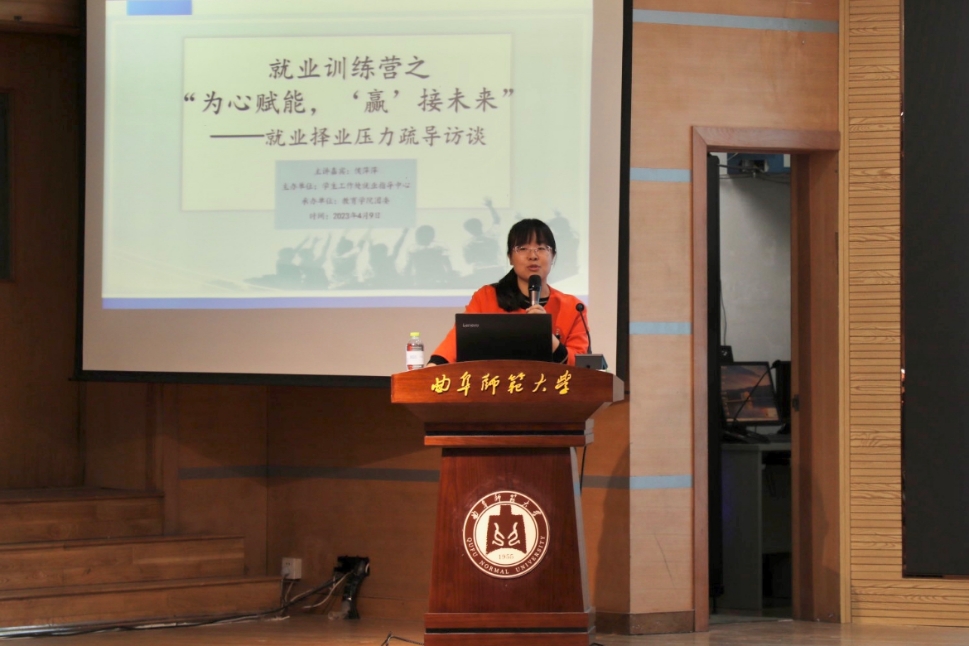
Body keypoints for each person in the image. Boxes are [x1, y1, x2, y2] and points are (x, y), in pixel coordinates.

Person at [427, 218, 589, 366]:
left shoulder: (573, 307)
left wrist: (547, 336)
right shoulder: (486, 297)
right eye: (523, 248)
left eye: (541, 248)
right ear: (510, 257)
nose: (533, 256)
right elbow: (455, 343)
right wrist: (433, 366)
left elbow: (582, 366)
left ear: (553, 256)